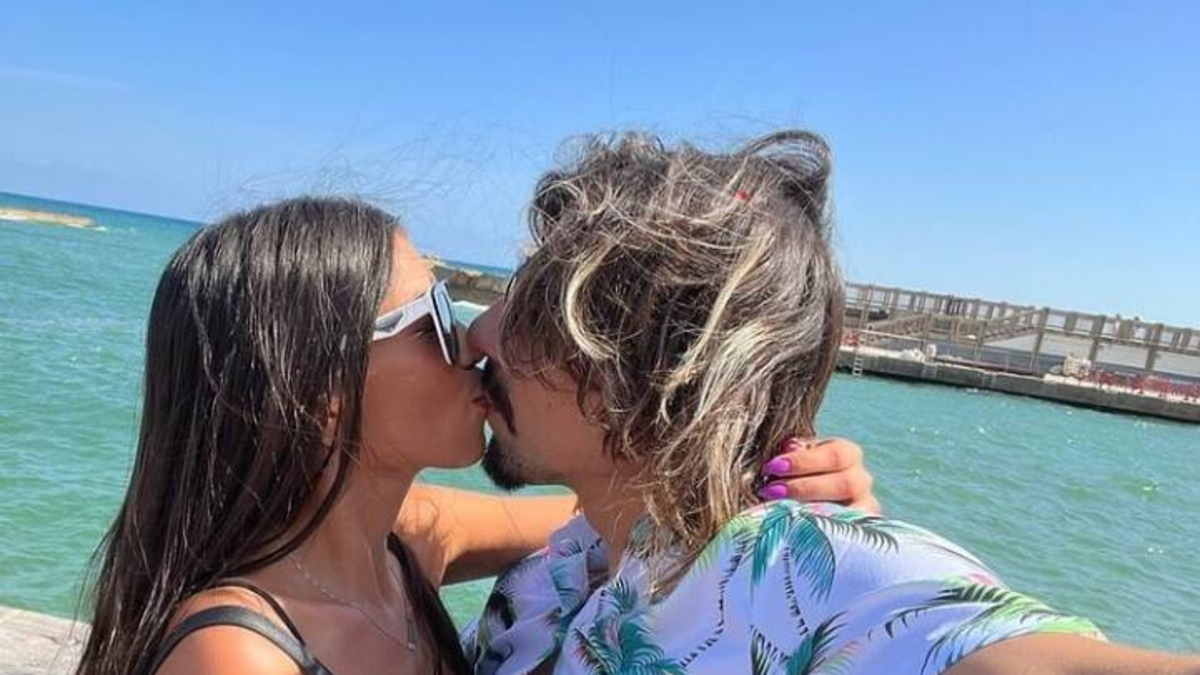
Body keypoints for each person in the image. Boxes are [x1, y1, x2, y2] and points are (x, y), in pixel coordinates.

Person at [464, 131, 1200, 675]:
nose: (479, 332)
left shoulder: (789, 570)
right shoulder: (564, 564)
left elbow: (1002, 653)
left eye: (531, 309)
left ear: (663, 366)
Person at [73, 197, 878, 675]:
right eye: (430, 315)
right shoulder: (240, 655)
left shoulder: (401, 540)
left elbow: (615, 509)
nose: (469, 339)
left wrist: (781, 492)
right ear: (316, 388)